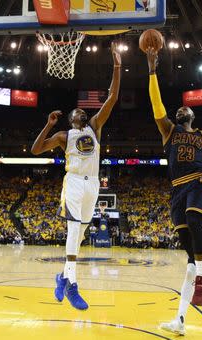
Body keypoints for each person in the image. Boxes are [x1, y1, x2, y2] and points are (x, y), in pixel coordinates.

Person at [31, 42, 122, 310]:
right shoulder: (63, 136)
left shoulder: (94, 127)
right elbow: (36, 149)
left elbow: (112, 98)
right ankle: (72, 284)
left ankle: (61, 275)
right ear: (71, 118)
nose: (82, 112)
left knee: (80, 233)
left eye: (84, 111)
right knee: (73, 229)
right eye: (78, 111)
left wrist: (117, 66)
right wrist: (48, 125)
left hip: (92, 184)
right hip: (73, 181)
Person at [145, 47, 202, 335]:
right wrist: (152, 70)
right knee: (186, 245)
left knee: (194, 220)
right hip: (176, 189)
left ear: (192, 114)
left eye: (185, 109)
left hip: (196, 182)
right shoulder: (169, 130)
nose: (181, 110)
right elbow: (156, 105)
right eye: (178, 109)